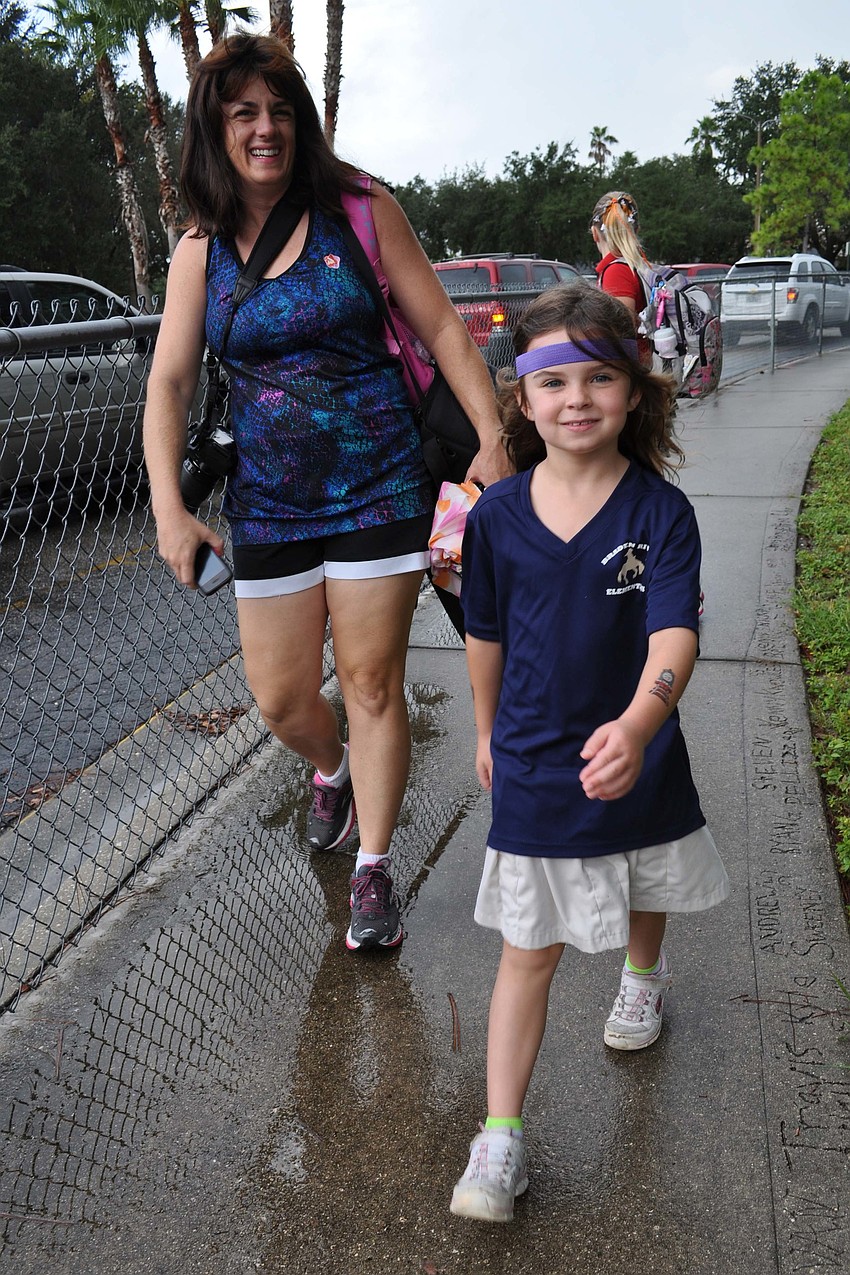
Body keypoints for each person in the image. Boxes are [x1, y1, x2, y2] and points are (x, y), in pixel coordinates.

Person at [142, 34, 509, 954]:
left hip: (382, 484)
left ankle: (375, 869)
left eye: (279, 110)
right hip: (267, 502)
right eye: (243, 114)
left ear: (300, 119)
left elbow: (447, 332)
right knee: (279, 699)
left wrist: (497, 441)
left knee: (373, 680)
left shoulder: (360, 207)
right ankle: (331, 768)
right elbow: (170, 384)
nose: (265, 128)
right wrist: (167, 506)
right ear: (215, 130)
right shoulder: (199, 249)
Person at [449, 284, 729, 1223]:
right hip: (533, 761)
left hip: (637, 750)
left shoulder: (662, 513)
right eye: (554, 380)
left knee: (648, 875)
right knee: (528, 946)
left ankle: (643, 982)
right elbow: (482, 633)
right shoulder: (494, 518)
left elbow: (674, 638)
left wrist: (642, 724)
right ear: (522, 399)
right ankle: (501, 1138)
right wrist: (487, 731)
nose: (577, 398)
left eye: (600, 378)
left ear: (634, 391)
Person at [590, 189, 652, 365]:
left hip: (634, 368)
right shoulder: (638, 265)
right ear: (636, 229)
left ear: (595, 233)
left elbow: (621, 330)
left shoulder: (617, 271)